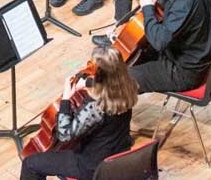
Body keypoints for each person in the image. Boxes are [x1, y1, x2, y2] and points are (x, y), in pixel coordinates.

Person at [18, 47, 136, 180]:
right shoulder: (128, 87)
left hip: (92, 166)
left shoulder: (96, 107)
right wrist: (87, 82)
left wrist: (66, 99)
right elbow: (108, 81)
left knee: (30, 164)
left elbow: (64, 134)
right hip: (119, 157)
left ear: (99, 74)